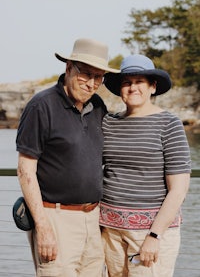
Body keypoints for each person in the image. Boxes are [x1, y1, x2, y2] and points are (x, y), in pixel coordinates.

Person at [16, 38, 119, 277]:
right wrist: (43, 227)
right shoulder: (41, 106)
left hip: (93, 220)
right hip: (55, 218)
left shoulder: (98, 105)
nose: (92, 83)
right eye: (86, 74)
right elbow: (25, 170)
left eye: (99, 77)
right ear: (69, 67)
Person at [99, 54, 191, 277]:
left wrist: (154, 236)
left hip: (150, 233)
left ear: (152, 87)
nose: (132, 88)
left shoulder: (169, 124)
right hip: (109, 231)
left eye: (139, 81)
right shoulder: (109, 123)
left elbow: (178, 190)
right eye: (126, 82)